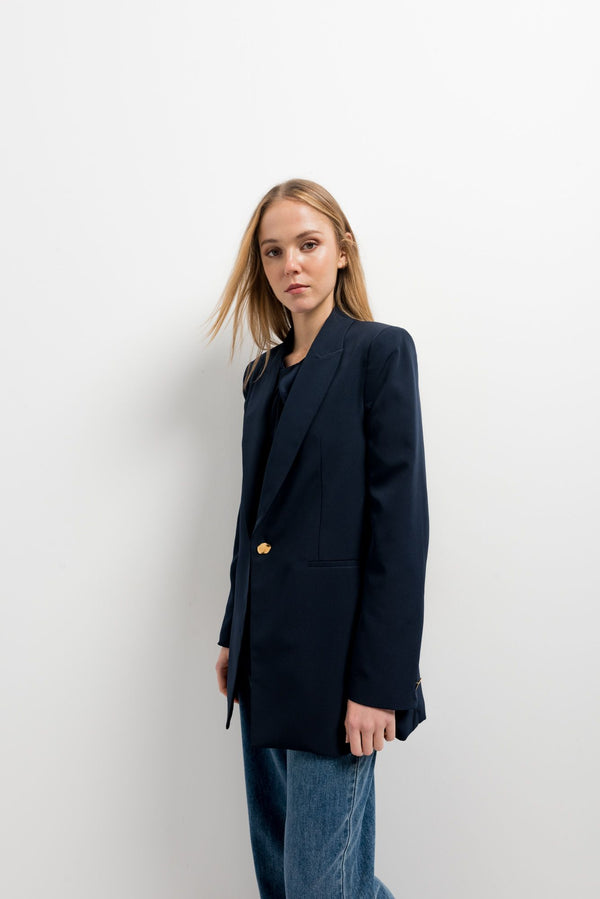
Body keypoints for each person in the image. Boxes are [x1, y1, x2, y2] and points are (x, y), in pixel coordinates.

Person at [207, 178, 429, 898]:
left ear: (342, 251)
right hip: (263, 657)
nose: (291, 264)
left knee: (318, 885)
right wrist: (233, 629)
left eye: (307, 244)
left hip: (338, 671)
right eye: (274, 251)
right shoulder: (262, 375)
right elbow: (254, 517)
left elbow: (400, 530)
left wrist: (380, 685)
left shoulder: (378, 353)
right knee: (288, 880)